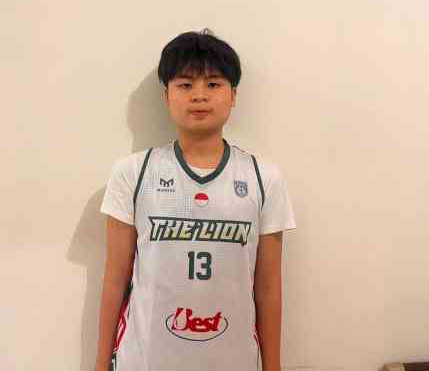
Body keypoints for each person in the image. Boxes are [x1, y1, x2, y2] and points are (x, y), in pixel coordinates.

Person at [95, 28, 297, 371]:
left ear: (233, 94)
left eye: (213, 84)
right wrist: (101, 366)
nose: (199, 96)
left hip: (232, 361)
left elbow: (268, 290)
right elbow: (115, 281)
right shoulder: (133, 173)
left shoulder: (264, 178)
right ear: (166, 95)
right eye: (185, 85)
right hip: (145, 360)